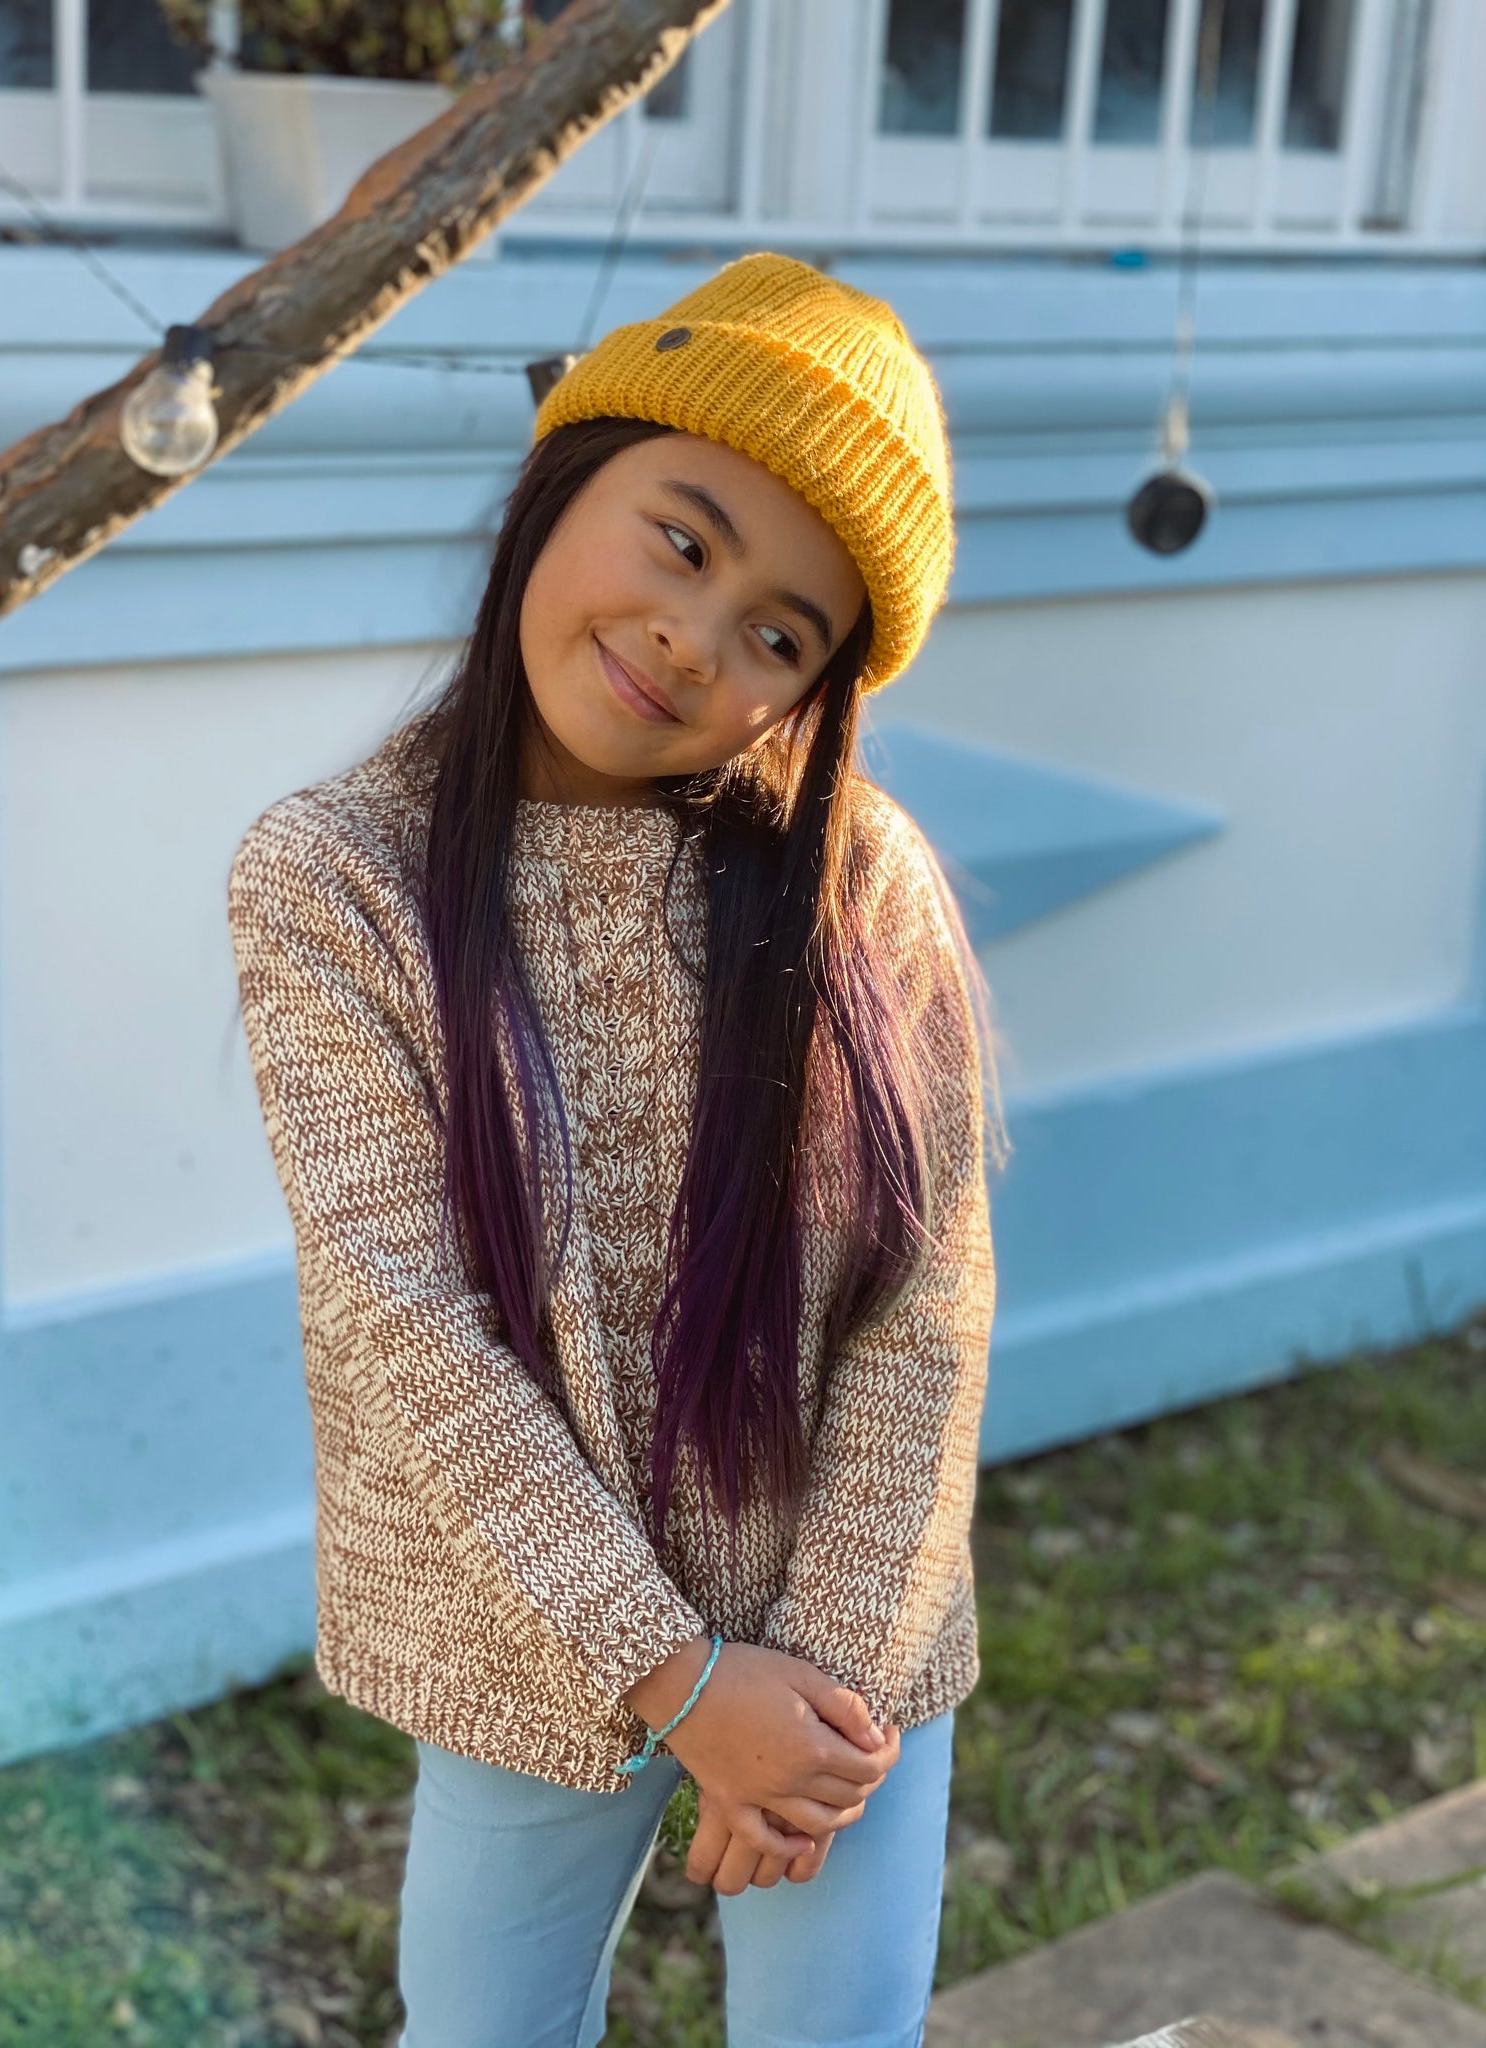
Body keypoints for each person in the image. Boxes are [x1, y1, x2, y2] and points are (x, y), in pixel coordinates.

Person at [226, 251, 1007, 2048]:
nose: (696, 636)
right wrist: (677, 1678)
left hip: (848, 1664)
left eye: (781, 635)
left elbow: (928, 1296)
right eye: (683, 539)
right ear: (565, 479)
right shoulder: (335, 879)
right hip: (527, 1646)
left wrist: (818, 1704)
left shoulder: (860, 883)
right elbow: (401, 1322)